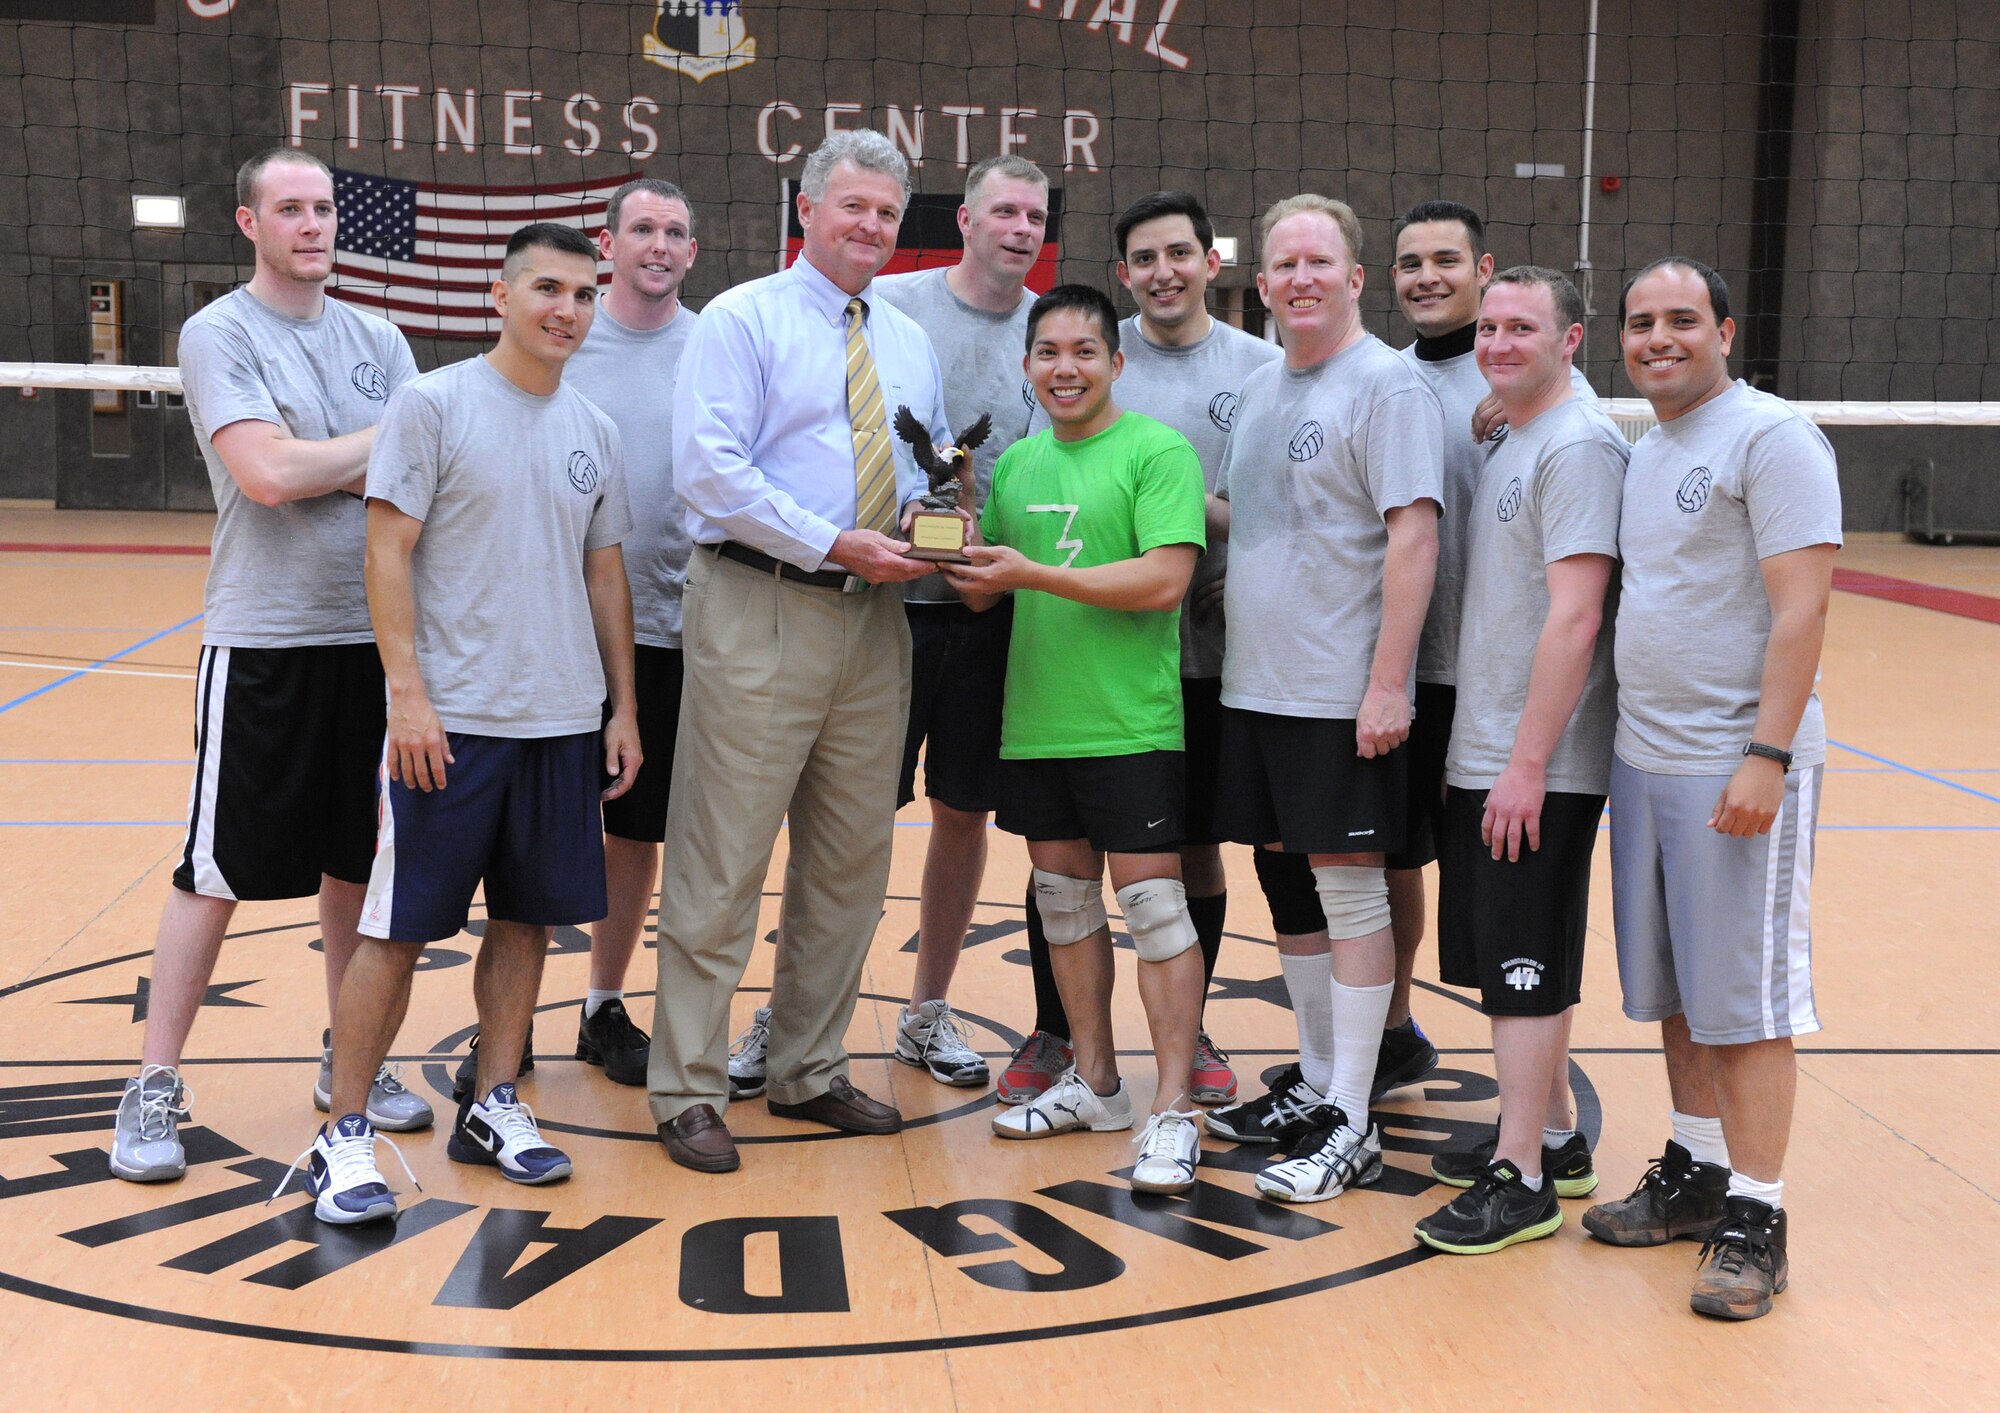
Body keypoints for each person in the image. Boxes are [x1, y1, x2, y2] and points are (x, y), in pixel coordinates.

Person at [280, 221, 639, 1225]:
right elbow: (384, 554)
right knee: (393, 930)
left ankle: (493, 1104)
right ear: (500, 295)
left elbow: (603, 573)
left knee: (526, 920)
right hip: (452, 723)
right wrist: (408, 695)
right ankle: (342, 1133)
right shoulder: (431, 405)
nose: (567, 309)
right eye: (548, 289)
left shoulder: (594, 430)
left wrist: (623, 710)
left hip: (560, 723)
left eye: (582, 293)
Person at [109, 147, 428, 1184]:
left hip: (372, 641)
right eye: (289, 209)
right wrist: (362, 448)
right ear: (250, 225)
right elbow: (269, 473)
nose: (312, 224)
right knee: (215, 870)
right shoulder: (219, 333)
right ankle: (152, 1086)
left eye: (323, 207)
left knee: (356, 868)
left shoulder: (380, 337)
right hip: (266, 642)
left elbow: (417, 474)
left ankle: (351, 1059)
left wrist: (330, 453)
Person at [651, 129, 949, 1175]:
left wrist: (935, 518)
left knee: (850, 861)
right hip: (760, 601)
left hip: (876, 620)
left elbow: (928, 465)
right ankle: (686, 1086)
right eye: (850, 207)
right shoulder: (742, 320)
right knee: (722, 857)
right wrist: (832, 540)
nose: (868, 226)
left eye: (884, 212)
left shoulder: (906, 339)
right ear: (806, 209)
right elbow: (707, 472)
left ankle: (807, 1068)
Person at [747, 154, 1048, 1097]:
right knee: (840, 820)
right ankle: (789, 1012)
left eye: (1036, 215)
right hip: (875, 601)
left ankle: (925, 1009)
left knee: (965, 811)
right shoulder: (890, 302)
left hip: (989, 605)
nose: (1019, 228)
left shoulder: (1059, 328)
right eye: (1004, 210)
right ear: (964, 218)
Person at [1583, 257, 1840, 1321]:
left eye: (1680, 320)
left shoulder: (1771, 438)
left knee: (1742, 1006)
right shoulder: (1648, 449)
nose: (1656, 338)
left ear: (1724, 332)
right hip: (1643, 758)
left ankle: (1757, 1216)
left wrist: (1764, 755)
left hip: (1734, 766)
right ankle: (1693, 1173)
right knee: (1678, 993)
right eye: (1639, 322)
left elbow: (1802, 609)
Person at [944, 283, 1208, 1195]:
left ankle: (1174, 1107)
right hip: (1039, 722)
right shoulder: (1015, 465)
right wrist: (960, 537)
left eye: (1084, 352)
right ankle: (1094, 1081)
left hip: (1130, 723)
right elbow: (985, 592)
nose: (1065, 368)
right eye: (1048, 353)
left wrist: (1032, 576)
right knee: (1063, 902)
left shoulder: (1157, 450)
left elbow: (1166, 578)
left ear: (1115, 363)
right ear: (1027, 367)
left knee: (1156, 912)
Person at [1206, 194, 1443, 1204]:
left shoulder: (1385, 386)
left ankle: (1352, 1116)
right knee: (1288, 888)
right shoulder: (1262, 390)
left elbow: (1413, 533)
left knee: (1347, 892)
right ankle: (1312, 1082)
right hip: (1255, 688)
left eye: (1317, 262)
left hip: (1337, 691)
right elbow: (1247, 517)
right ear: (1260, 285)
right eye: (1281, 265)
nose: (1298, 278)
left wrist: (1385, 682)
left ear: (1352, 279)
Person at [447, 178, 701, 1098]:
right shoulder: (559, 341)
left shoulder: (713, 343)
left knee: (633, 829)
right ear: (608, 243)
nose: (659, 245)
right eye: (642, 229)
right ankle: (500, 1035)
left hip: (666, 627)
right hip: (538, 640)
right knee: (521, 840)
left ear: (693, 251)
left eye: (676, 231)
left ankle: (600, 1003)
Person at [1412, 267, 1626, 1254]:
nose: (1496, 343)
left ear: (1570, 338)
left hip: (1534, 758)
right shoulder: (1521, 427)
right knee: (1508, 955)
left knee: (1521, 968)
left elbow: (1577, 614)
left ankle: (1523, 1179)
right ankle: (1546, 1133)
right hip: (1490, 742)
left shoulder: (1576, 445)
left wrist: (1528, 763)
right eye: (1488, 327)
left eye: (1521, 329)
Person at [1090, 188, 1287, 1108]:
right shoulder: (1097, 363)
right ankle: (1064, 1035)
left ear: (1214, 262)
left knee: (1196, 846)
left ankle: (1192, 1022)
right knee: (1073, 852)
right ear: (1123, 274)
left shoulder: (1263, 367)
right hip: (1099, 650)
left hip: (1211, 653)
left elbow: (1293, 513)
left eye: (1180, 253)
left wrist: (1240, 567)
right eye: (1143, 258)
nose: (1162, 271)